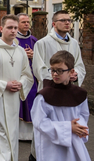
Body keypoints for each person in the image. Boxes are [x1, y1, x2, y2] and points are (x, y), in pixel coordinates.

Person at [30, 9, 86, 161]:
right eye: (63, 20)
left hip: (69, 90)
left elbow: (80, 66)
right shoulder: (42, 43)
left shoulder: (74, 43)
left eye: (69, 20)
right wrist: (60, 76)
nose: (68, 22)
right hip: (50, 92)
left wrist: (75, 75)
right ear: (54, 24)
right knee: (45, 131)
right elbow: (39, 68)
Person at [0, 14, 34, 161]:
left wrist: (21, 83)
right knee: (0, 138)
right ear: (2, 29)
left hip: (14, 101)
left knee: (13, 136)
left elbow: (27, 75)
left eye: (15, 28)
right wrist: (5, 85)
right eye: (10, 27)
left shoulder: (21, 51)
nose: (13, 31)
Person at [31, 50, 91, 161]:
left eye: (59, 71)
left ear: (71, 71)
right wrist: (68, 128)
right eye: (52, 70)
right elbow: (39, 122)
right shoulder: (43, 96)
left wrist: (79, 127)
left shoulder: (80, 94)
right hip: (51, 147)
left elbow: (83, 115)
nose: (54, 74)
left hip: (74, 143)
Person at [16, 13, 38, 141]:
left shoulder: (34, 40)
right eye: (23, 22)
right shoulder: (12, 40)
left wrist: (34, 55)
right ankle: (19, 134)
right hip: (18, 77)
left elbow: (43, 59)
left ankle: (30, 134)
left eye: (28, 22)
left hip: (33, 78)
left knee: (32, 100)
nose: (26, 24)